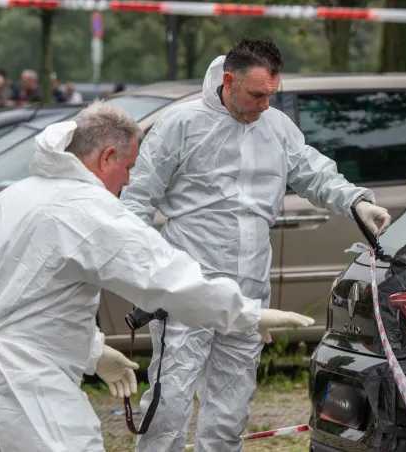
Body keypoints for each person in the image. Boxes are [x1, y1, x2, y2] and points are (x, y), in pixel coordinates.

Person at [0, 102, 314, 452]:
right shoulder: (85, 207)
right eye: (128, 166)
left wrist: (92, 350)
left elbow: (24, 297)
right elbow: (164, 277)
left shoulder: (9, 199)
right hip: (24, 379)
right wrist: (246, 314)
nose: (128, 180)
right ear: (107, 156)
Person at [123, 39, 391, 452]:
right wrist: (144, 276)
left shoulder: (277, 128)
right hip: (186, 289)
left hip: (249, 295)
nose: (265, 104)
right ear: (229, 81)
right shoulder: (181, 125)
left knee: (231, 409)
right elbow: (138, 202)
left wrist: (356, 201)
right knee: (170, 401)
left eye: (271, 94)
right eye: (257, 94)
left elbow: (314, 173)